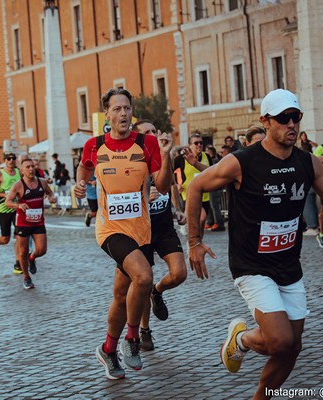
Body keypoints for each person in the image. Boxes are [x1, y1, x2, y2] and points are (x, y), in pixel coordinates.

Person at [186, 89, 323, 399]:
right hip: (251, 264)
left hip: (288, 264)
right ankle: (240, 341)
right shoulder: (241, 162)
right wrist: (195, 240)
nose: (291, 124)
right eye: (283, 119)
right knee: (279, 341)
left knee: (292, 346)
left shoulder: (307, 162)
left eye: (295, 117)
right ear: (265, 121)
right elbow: (196, 186)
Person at [74, 88, 172, 380]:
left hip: (140, 230)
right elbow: (84, 169)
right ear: (107, 114)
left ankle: (107, 348)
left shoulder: (147, 143)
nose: (123, 114)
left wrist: (166, 159)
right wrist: (80, 185)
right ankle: (132, 340)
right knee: (143, 276)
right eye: (117, 109)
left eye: (127, 108)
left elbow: (164, 186)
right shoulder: (94, 145)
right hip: (110, 229)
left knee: (120, 296)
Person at [132, 119, 187, 352]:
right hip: (142, 229)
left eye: (155, 131)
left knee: (180, 273)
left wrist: (178, 209)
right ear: (138, 138)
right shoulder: (133, 163)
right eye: (147, 132)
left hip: (164, 227)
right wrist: (144, 199)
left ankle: (158, 291)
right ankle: (144, 330)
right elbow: (119, 199)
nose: (153, 135)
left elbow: (172, 185)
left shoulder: (163, 156)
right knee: (141, 281)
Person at [4, 158, 56, 289]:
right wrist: (18, 205)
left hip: (38, 222)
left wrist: (51, 197)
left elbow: (50, 192)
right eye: (27, 167)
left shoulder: (42, 182)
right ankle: (26, 277)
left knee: (42, 250)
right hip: (23, 223)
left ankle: (32, 258)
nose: (31, 169)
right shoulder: (18, 185)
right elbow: (7, 202)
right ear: (21, 170)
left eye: (32, 166)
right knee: (23, 251)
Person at [173, 133, 223, 233]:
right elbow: (170, 173)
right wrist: (177, 184)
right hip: (188, 194)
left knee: (201, 221)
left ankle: (196, 242)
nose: (199, 145)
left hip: (205, 196)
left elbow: (212, 172)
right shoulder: (181, 159)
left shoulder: (207, 156)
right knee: (201, 217)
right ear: (190, 145)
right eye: (196, 143)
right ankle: (193, 241)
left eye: (201, 142)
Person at [0, 153, 23, 274]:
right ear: (5, 161)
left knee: (19, 236)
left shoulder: (19, 172)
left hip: (17, 209)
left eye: (14, 158)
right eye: (9, 159)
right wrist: (5, 195)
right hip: (4, 209)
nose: (12, 160)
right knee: (6, 239)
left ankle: (18, 263)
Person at [298, 132, 319, 236]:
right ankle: (313, 226)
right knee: (311, 202)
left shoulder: (305, 156)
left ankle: (312, 226)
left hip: (306, 181)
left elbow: (317, 146)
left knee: (309, 202)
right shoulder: (308, 157)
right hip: (309, 180)